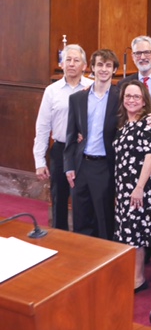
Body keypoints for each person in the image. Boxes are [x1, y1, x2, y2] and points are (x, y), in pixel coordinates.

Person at [33, 44, 93, 230]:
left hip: (85, 151)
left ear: (84, 66)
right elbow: (42, 126)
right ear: (62, 64)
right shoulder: (52, 90)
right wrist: (39, 161)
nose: (72, 64)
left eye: (76, 60)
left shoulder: (92, 88)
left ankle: (84, 240)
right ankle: (59, 238)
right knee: (59, 198)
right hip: (60, 149)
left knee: (83, 199)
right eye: (68, 60)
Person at [64, 49, 121, 240]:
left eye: (108, 66)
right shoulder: (77, 98)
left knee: (104, 219)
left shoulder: (120, 97)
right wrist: (69, 166)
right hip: (81, 166)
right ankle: (82, 260)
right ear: (92, 68)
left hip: (105, 165)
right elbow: (71, 136)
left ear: (114, 70)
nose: (103, 69)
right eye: (99, 65)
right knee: (81, 217)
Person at [113, 80, 151, 293]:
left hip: (140, 188)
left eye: (136, 97)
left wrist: (139, 187)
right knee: (126, 233)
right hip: (125, 188)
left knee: (136, 235)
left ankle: (139, 279)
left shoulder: (147, 123)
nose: (131, 100)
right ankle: (132, 275)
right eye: (128, 96)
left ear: (144, 101)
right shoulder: (124, 124)